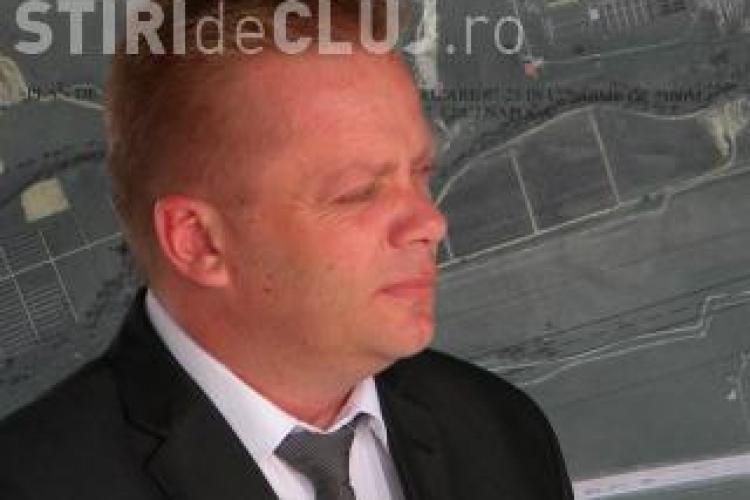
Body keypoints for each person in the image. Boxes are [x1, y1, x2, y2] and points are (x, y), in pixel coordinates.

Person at [0, 0, 574, 498]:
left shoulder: (499, 434)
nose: (429, 221)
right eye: (358, 192)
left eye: (420, 174)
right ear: (198, 241)